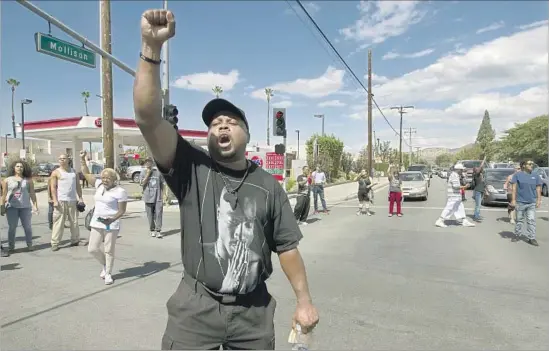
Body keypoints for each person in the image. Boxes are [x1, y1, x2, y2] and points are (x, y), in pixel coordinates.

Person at [133, 9, 319, 350]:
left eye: (231, 121)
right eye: (214, 121)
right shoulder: (189, 168)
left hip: (253, 312)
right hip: (196, 308)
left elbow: (288, 248)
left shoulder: (268, 186)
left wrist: (304, 300)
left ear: (247, 135)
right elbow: (147, 117)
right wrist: (150, 47)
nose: (221, 125)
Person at [80, 151, 129, 284]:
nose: (105, 180)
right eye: (103, 177)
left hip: (111, 223)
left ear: (114, 179)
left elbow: (122, 210)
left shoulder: (120, 192)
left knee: (109, 249)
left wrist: (111, 219)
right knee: (92, 248)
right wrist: (83, 160)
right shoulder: (99, 185)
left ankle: (108, 273)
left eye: (108, 178)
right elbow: (86, 174)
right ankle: (105, 265)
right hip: (97, 221)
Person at [1, 159, 39, 252]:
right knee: (12, 227)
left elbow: (32, 193)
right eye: (17, 166)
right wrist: (2, 206)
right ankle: (11, 246)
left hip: (25, 207)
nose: (19, 168)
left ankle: (29, 244)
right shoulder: (7, 180)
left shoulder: (28, 180)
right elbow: (4, 194)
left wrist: (35, 205)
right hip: (11, 207)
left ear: (24, 168)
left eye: (21, 166)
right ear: (13, 168)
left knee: (27, 227)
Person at [50, 153, 85, 251]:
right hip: (61, 201)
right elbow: (53, 187)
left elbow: (78, 185)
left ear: (68, 160)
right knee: (59, 222)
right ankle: (55, 243)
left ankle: (75, 240)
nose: (62, 160)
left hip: (72, 200)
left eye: (64, 158)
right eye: (60, 159)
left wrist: (81, 198)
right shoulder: (56, 172)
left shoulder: (74, 172)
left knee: (74, 222)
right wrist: (55, 200)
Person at [510, 160, 542, 246]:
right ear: (524, 165)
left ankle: (531, 238)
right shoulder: (517, 175)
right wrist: (513, 200)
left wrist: (539, 200)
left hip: (531, 202)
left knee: (531, 220)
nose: (532, 165)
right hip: (520, 202)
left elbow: (538, 188)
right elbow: (514, 188)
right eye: (529, 164)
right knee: (519, 220)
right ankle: (517, 235)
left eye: (532, 164)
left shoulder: (536, 176)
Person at [140, 158, 165, 238]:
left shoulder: (158, 172)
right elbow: (142, 184)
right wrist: (148, 174)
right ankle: (152, 230)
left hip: (158, 197)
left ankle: (158, 231)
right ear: (144, 163)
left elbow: (162, 184)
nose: (148, 163)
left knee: (158, 214)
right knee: (150, 215)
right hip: (148, 197)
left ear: (152, 163)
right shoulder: (143, 172)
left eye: (149, 162)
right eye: (146, 162)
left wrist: (163, 195)